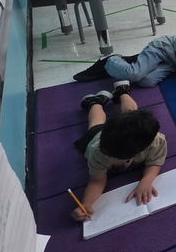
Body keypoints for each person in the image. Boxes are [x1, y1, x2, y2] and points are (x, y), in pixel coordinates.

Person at [71, 81, 167, 221]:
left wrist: (146, 181)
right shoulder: (97, 150)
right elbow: (97, 181)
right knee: (96, 123)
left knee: (131, 115)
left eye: (114, 156)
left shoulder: (157, 141)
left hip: (119, 134)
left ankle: (122, 92)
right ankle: (94, 102)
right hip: (97, 135)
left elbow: (155, 162)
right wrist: (87, 203)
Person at [73, 6, 176, 87]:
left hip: (175, 63)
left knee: (147, 82)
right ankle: (112, 60)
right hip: (162, 50)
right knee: (135, 75)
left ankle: (137, 61)